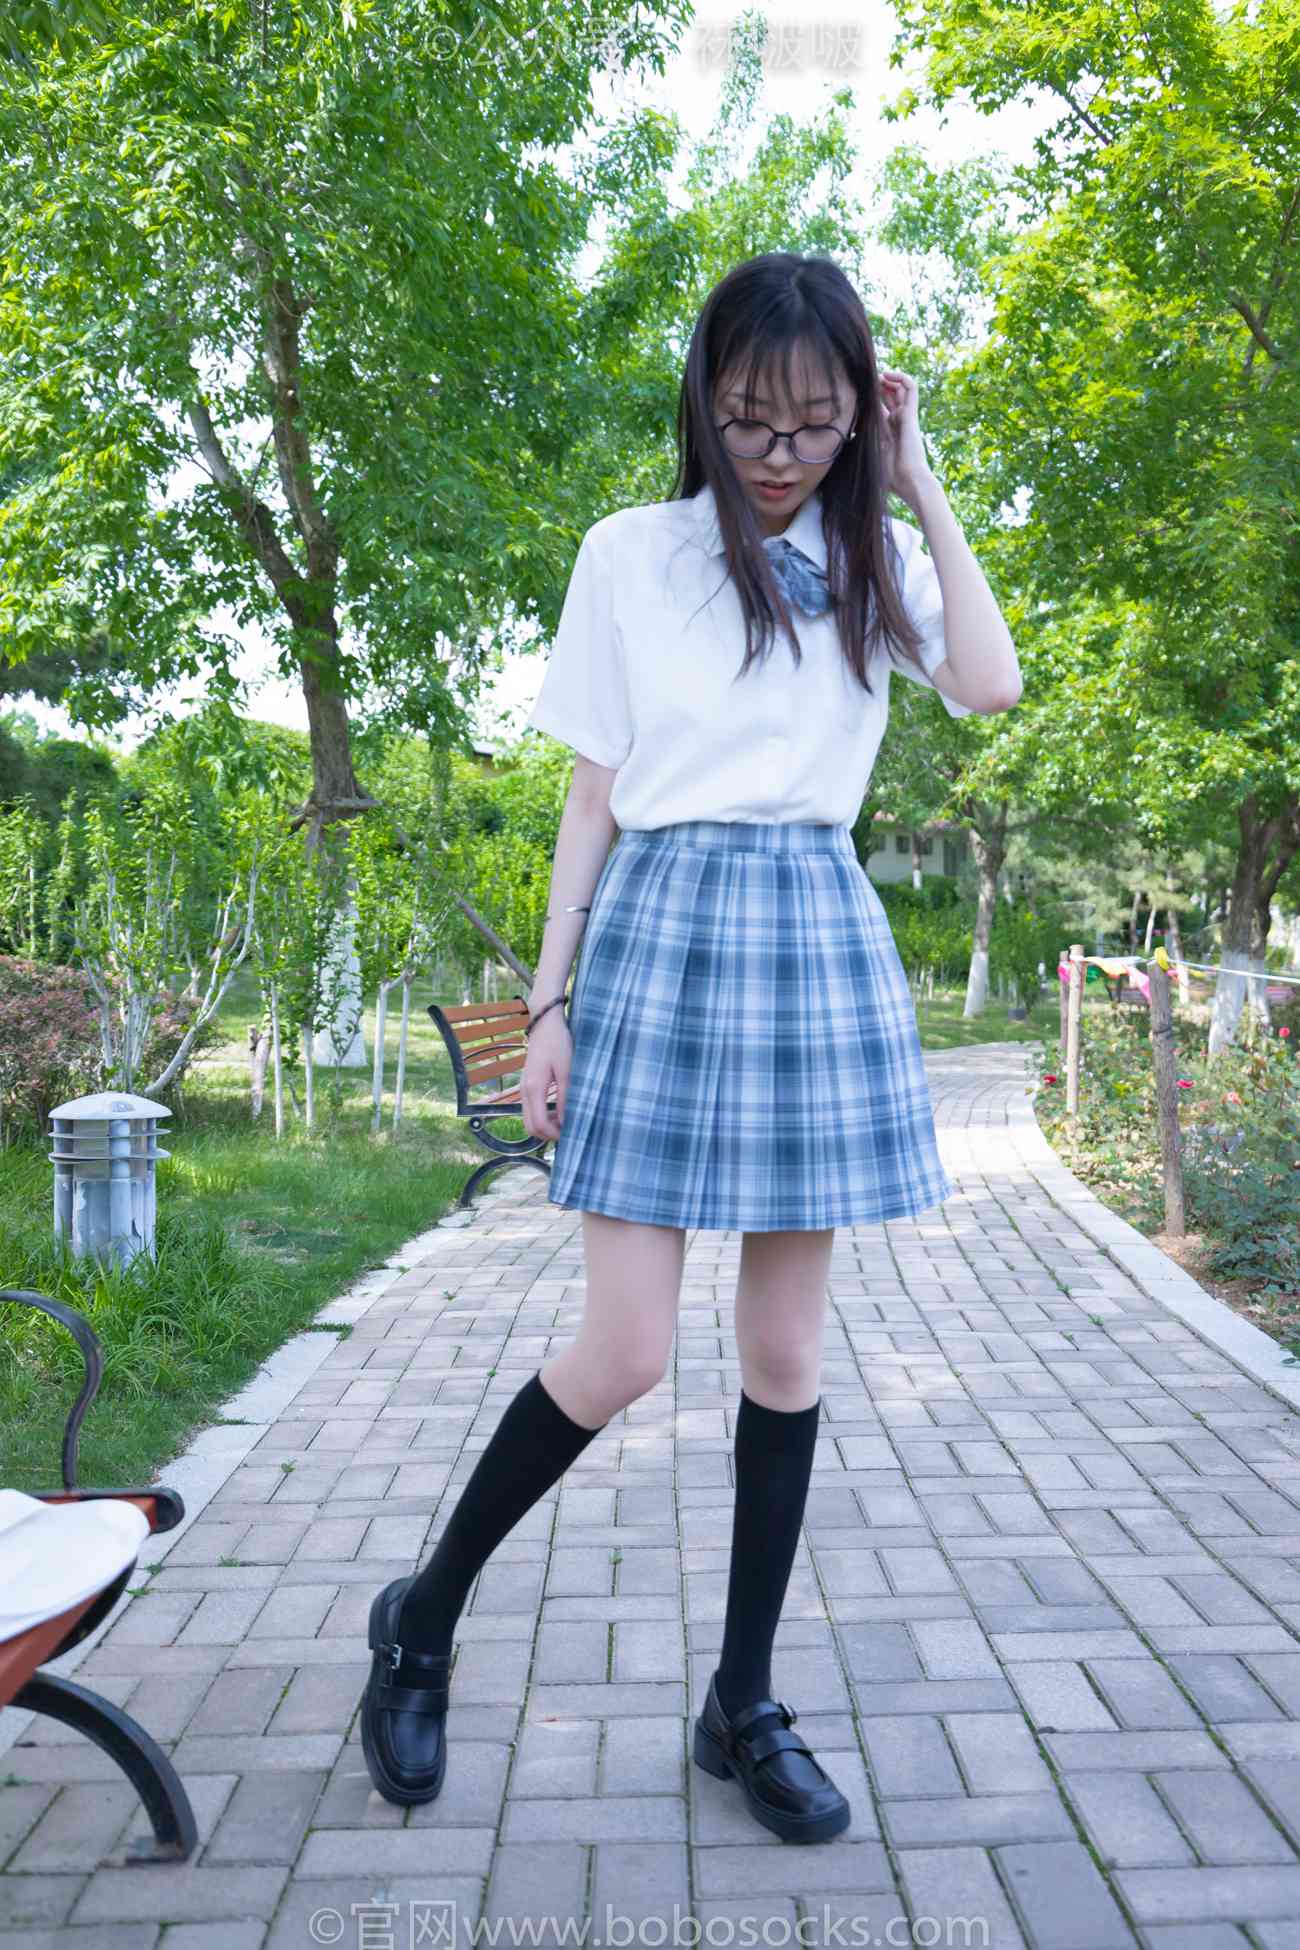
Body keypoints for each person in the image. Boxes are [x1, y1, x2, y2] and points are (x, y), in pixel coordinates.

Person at [359, 251, 1022, 1845]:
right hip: (658, 933)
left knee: (787, 1355)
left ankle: (743, 1700)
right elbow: (592, 796)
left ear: (862, 412)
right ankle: (422, 1617)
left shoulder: (875, 556)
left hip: (812, 934)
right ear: (703, 406)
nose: (778, 451)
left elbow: (991, 684)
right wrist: (548, 1003)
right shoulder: (632, 555)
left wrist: (917, 481)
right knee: (627, 1347)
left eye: (814, 420)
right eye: (747, 417)